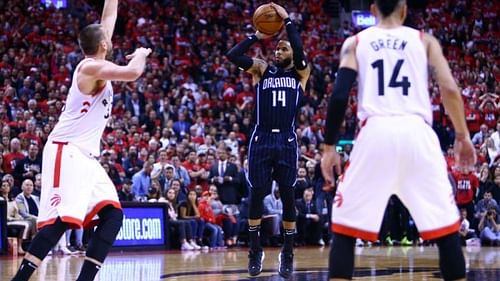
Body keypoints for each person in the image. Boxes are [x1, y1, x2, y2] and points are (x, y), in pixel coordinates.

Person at [321, 1, 476, 281]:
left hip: (375, 133)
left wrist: (329, 147)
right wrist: (462, 135)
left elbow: (340, 94)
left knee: (343, 230)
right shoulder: (425, 41)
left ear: (372, 10)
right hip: (418, 133)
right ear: (404, 10)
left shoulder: (355, 42)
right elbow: (450, 88)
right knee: (446, 230)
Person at [11, 1, 152, 280]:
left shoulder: (97, 59)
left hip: (86, 156)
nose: (110, 39)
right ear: (102, 44)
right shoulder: (89, 68)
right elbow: (133, 73)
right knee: (63, 220)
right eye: (107, 39)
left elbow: (109, 14)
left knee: (113, 215)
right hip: (67, 150)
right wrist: (141, 53)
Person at [226, 3, 310, 278]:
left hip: (286, 140)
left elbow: (298, 51)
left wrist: (287, 22)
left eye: (282, 49)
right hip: (261, 139)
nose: (278, 52)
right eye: (277, 49)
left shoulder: (300, 74)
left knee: (288, 198)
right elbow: (233, 54)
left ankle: (287, 252)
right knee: (256, 198)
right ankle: (255, 249)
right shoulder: (262, 70)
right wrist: (256, 36)